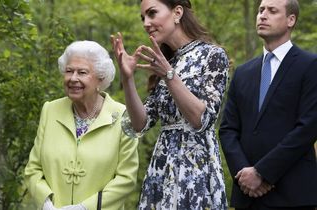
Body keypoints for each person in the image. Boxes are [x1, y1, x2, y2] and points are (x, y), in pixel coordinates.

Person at [111, 0, 229, 209]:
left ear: (177, 13)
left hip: (196, 171)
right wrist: (127, 78)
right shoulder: (166, 62)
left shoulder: (212, 55)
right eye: (143, 18)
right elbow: (140, 124)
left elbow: (202, 119)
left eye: (152, 13)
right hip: (162, 169)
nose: (146, 23)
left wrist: (169, 75)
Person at [219, 0, 317, 209]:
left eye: (272, 11)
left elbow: (308, 128)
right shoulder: (243, 72)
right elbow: (228, 129)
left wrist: (263, 173)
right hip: (247, 195)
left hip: (292, 194)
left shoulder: (310, 66)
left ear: (291, 20)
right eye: (260, 10)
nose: (263, 15)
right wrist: (244, 174)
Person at [24, 40, 139, 210]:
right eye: (69, 71)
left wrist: (85, 208)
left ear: (101, 78)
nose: (73, 78)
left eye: (82, 72)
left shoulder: (122, 116)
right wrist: (46, 203)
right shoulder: (50, 110)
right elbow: (33, 168)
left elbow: (126, 178)